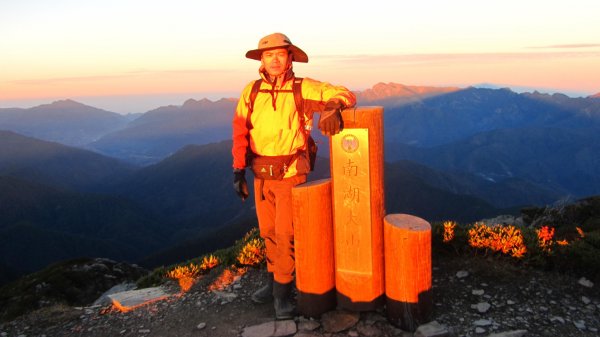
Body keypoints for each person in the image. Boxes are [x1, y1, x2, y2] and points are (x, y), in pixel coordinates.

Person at [231, 32, 356, 319]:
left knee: (286, 234)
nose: (274, 60)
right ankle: (274, 282)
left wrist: (333, 107)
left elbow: (345, 93)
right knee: (269, 233)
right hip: (261, 175)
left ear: (289, 57)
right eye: (268, 55)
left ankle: (282, 294)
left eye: (280, 54)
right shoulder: (251, 91)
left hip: (290, 175)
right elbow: (240, 132)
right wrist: (238, 170)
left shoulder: (303, 87)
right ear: (261, 60)